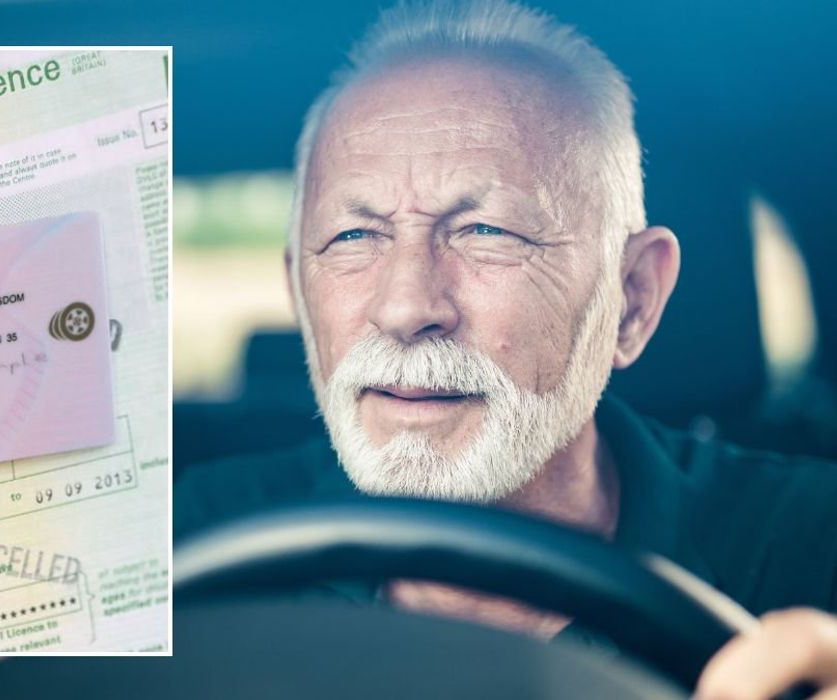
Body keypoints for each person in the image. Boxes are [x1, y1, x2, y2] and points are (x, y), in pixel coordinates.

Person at [175, 1, 837, 697]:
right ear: (297, 293)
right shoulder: (189, 539)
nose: (403, 308)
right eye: (352, 238)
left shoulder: (812, 546)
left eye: (486, 231)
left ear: (632, 299)